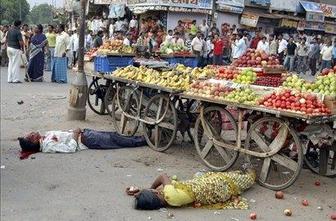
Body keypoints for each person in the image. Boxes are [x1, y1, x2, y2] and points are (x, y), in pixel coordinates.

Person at [128, 169, 256, 210]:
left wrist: (141, 193)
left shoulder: (169, 201)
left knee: (233, 179)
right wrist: (149, 188)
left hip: (210, 191)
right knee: (241, 179)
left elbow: (165, 186)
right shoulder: (169, 194)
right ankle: (250, 173)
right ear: (155, 193)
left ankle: (245, 174)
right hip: (216, 186)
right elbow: (163, 176)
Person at [18, 128, 146, 156]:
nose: (32, 132)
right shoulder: (48, 145)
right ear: (33, 140)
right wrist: (75, 134)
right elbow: (70, 148)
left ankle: (140, 139)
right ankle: (142, 141)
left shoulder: (44, 138)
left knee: (114, 136)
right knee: (115, 140)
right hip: (86, 140)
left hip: (84, 134)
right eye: (30, 135)